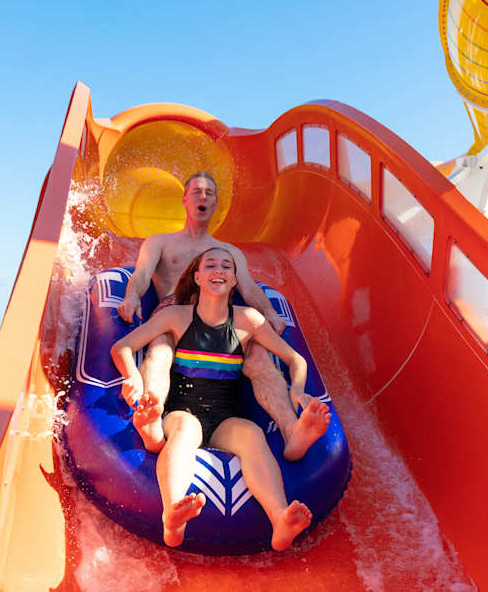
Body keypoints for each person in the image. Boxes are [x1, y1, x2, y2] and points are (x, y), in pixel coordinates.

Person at [116, 171, 329, 459]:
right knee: (162, 349)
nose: (203, 197)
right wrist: (131, 296)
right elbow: (141, 274)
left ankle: (293, 431)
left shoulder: (228, 252)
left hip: (222, 321)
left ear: (216, 204)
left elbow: (250, 288)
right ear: (184, 200)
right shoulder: (161, 242)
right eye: (196, 192)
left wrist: (269, 313)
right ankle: (151, 414)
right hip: (174, 312)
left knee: (257, 357)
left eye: (209, 193)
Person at [112, 248, 314, 550]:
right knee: (185, 432)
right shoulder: (176, 317)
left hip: (225, 416)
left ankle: (279, 519)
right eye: (210, 265)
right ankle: (172, 516)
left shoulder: (248, 320)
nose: (218, 269)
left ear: (234, 280)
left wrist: (297, 389)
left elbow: (296, 359)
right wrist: (133, 377)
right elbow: (123, 347)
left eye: (226, 266)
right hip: (182, 410)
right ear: (197, 277)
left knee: (252, 434)